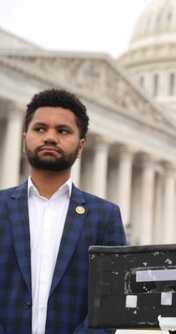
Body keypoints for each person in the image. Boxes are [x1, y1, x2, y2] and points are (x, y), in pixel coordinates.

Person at [0, 89, 127, 334]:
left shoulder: (104, 216)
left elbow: (112, 300)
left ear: (80, 146)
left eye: (63, 131)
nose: (50, 137)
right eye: (40, 129)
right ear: (25, 137)